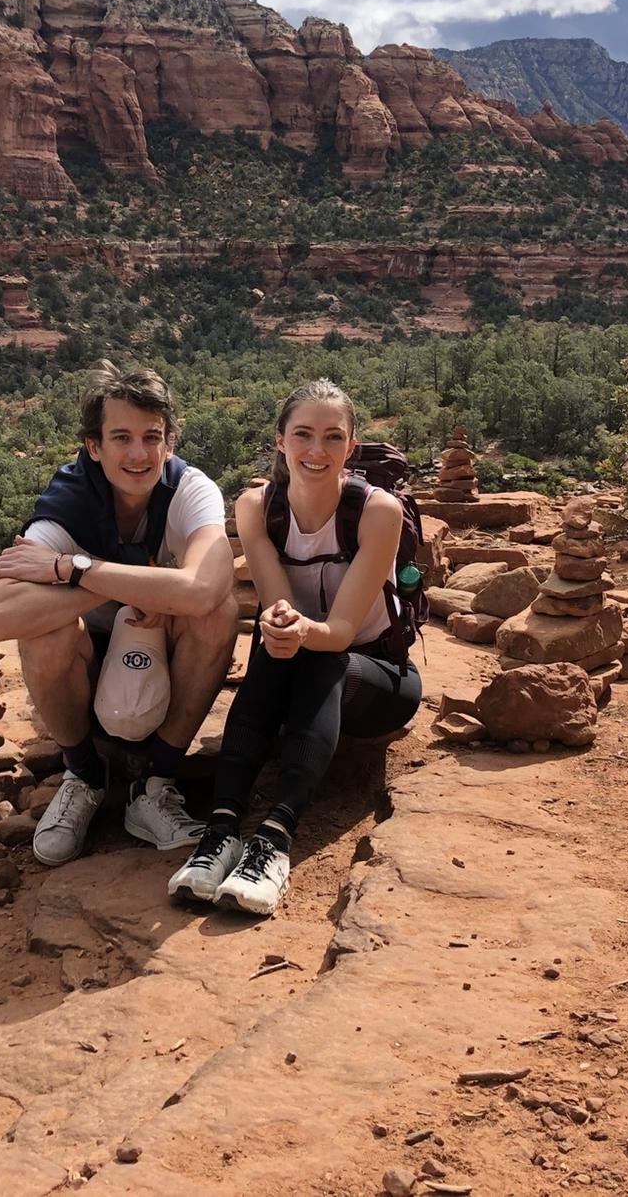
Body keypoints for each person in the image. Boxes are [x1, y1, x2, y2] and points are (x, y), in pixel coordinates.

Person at [170, 379, 423, 915]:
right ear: (280, 440)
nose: (316, 450)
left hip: (377, 678)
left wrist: (299, 631)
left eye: (333, 437)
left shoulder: (377, 511)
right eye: (303, 434)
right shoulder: (257, 507)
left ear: (351, 447)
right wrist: (282, 624)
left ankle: (275, 839)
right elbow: (277, 605)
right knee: (275, 651)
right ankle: (221, 831)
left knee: (323, 658)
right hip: (302, 662)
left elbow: (341, 630)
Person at [0, 361, 237, 867]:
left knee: (218, 613)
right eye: (121, 438)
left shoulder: (190, 490)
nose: (138, 454)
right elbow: (0, 617)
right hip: (91, 667)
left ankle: (155, 783)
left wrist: (71, 569)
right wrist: (142, 588)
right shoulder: (70, 500)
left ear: (170, 443)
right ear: (94, 447)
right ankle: (84, 775)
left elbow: (207, 589)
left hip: (163, 655)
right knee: (45, 629)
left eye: (152, 437)